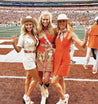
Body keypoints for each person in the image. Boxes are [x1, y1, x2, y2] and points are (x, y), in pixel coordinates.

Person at [51, 14, 89, 104]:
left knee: (53, 82)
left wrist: (86, 35)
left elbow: (82, 45)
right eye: (60, 21)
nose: (62, 23)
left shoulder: (70, 33)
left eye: (63, 21)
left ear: (66, 22)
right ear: (58, 23)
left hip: (65, 60)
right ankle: (63, 97)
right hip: (56, 59)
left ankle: (64, 98)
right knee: (61, 80)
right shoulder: (56, 33)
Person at [11, 16, 40, 104]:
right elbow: (18, 50)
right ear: (24, 26)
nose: (28, 26)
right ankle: (27, 96)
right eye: (27, 25)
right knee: (36, 78)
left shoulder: (35, 34)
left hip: (34, 57)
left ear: (32, 25)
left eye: (30, 24)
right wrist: (13, 43)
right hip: (27, 58)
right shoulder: (23, 36)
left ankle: (26, 96)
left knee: (28, 77)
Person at [37, 11, 56, 104]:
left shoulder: (54, 29)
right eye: (43, 19)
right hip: (39, 55)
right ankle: (43, 94)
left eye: (47, 19)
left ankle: (45, 90)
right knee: (39, 78)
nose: (45, 21)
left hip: (49, 55)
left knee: (47, 78)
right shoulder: (37, 29)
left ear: (50, 20)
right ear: (41, 20)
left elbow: (56, 43)